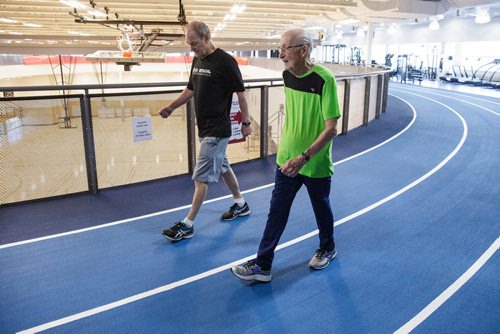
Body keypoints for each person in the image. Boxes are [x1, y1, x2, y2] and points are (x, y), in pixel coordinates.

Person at [231, 28, 340, 282]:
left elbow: (331, 128)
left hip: (313, 162)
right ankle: (263, 264)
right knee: (276, 211)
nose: (280, 54)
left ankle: (328, 247)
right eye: (280, 47)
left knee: (321, 208)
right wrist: (289, 154)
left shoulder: (325, 79)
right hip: (286, 160)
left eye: (286, 48)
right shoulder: (286, 76)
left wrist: (304, 157)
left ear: (304, 49)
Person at [159, 21, 253, 241]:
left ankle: (188, 225)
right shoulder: (198, 59)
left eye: (194, 43)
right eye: (189, 44)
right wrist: (171, 107)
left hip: (217, 130)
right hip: (205, 127)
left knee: (200, 178)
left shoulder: (226, 62)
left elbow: (241, 94)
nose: (192, 48)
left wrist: (246, 123)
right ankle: (241, 204)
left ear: (206, 37)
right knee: (223, 166)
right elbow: (190, 89)